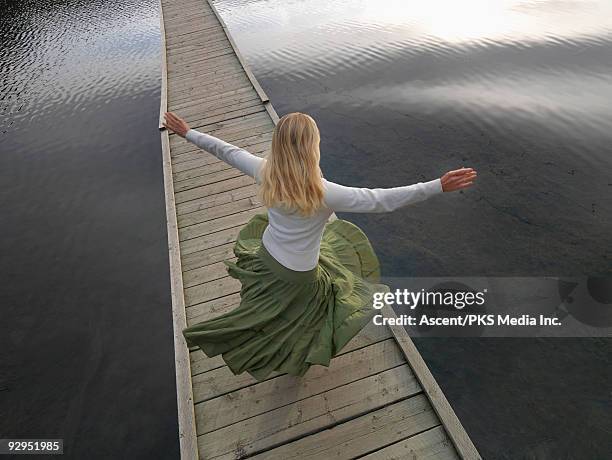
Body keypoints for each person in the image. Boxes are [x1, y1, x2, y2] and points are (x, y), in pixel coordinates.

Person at [163, 111, 476, 381]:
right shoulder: (326, 192)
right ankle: (290, 354)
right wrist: (436, 185)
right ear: (313, 148)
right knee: (312, 315)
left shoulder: (265, 171)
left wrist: (188, 132)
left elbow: (225, 150)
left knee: (272, 301)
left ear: (278, 145)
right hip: (300, 271)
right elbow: (382, 200)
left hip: (267, 257)